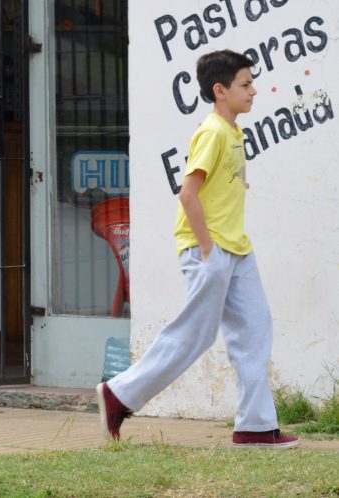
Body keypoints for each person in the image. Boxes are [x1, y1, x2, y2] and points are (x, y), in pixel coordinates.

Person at [96, 49, 299, 449]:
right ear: (220, 91)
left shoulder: (233, 132)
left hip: (236, 248)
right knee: (194, 335)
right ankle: (118, 395)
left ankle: (255, 427)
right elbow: (188, 194)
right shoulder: (213, 131)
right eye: (246, 84)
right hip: (212, 250)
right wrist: (208, 250)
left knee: (255, 330)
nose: (254, 90)